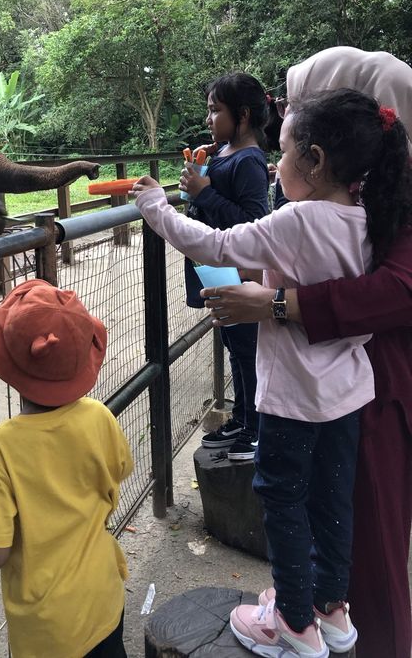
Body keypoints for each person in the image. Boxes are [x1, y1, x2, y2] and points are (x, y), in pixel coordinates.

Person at [131, 88, 412, 658]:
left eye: (281, 154)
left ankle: (290, 621)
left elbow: (212, 242)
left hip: (292, 397)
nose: (274, 167)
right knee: (331, 500)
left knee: (281, 497)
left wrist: (155, 206)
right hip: (348, 395)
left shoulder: (297, 219)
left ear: (313, 161)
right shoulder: (365, 218)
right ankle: (330, 610)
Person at [0, 279, 134, 658]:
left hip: (46, 628)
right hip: (104, 598)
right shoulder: (99, 416)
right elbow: (120, 469)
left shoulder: (0, 449)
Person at [181, 72, 269, 461]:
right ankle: (242, 416)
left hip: (236, 272)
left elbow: (252, 222)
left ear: (243, 116)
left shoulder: (249, 161)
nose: (208, 119)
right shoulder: (223, 153)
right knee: (234, 348)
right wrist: (201, 172)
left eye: (215, 111)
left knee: (248, 350)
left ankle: (257, 428)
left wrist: (206, 192)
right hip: (214, 268)